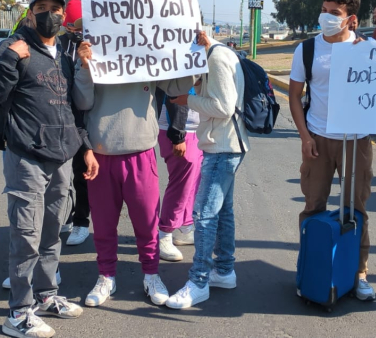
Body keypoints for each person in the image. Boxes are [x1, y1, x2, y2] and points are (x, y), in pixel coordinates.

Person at [0, 0, 98, 338]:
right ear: (30, 13)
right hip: (26, 157)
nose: (50, 13)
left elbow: (73, 106)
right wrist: (8, 61)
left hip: (62, 157)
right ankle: (18, 312)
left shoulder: (66, 52)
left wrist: (85, 147)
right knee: (26, 236)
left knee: (51, 233)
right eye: (42, 7)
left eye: (56, 8)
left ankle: (46, 296)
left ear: (64, 16)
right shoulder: (11, 48)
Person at [74, 39, 194, 308]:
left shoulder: (148, 54)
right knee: (103, 223)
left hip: (140, 152)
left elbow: (178, 87)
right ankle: (106, 276)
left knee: (147, 222)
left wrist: (191, 54)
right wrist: (84, 66)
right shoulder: (93, 53)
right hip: (102, 154)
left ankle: (151, 275)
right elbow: (82, 101)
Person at [287, 0, 376, 301]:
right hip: (318, 139)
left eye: (334, 13)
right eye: (324, 10)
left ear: (351, 19)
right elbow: (294, 96)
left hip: (356, 142)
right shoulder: (307, 50)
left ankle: (359, 273)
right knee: (313, 207)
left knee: (356, 210)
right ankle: (310, 270)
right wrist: (304, 136)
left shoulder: (368, 49)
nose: (325, 17)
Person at [164, 31, 249, 309]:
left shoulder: (216, 57)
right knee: (223, 211)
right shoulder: (217, 55)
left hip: (222, 146)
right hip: (225, 144)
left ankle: (198, 281)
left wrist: (186, 100)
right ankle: (224, 271)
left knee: (204, 214)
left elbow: (223, 107)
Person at [155, 87, 202, 262]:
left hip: (197, 125)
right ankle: (164, 233)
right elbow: (174, 88)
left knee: (194, 180)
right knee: (181, 183)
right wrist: (178, 134)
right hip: (177, 126)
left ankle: (185, 226)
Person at [60, 0, 92, 247]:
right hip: (58, 118)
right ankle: (67, 217)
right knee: (60, 177)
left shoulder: (98, 45)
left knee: (82, 176)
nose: (77, 32)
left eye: (81, 27)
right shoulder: (56, 45)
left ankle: (82, 222)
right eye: (72, 27)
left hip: (84, 120)